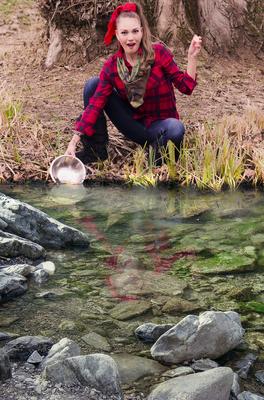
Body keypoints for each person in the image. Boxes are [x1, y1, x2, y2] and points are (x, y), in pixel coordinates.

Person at [65, 1, 202, 165]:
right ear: (117, 35)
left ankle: (155, 161)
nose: (130, 38)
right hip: (133, 124)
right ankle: (95, 151)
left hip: (161, 127)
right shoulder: (112, 66)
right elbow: (95, 105)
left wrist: (192, 58)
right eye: (124, 32)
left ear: (142, 32)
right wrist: (74, 140)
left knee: (176, 128)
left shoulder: (159, 53)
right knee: (92, 85)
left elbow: (186, 87)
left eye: (135, 31)